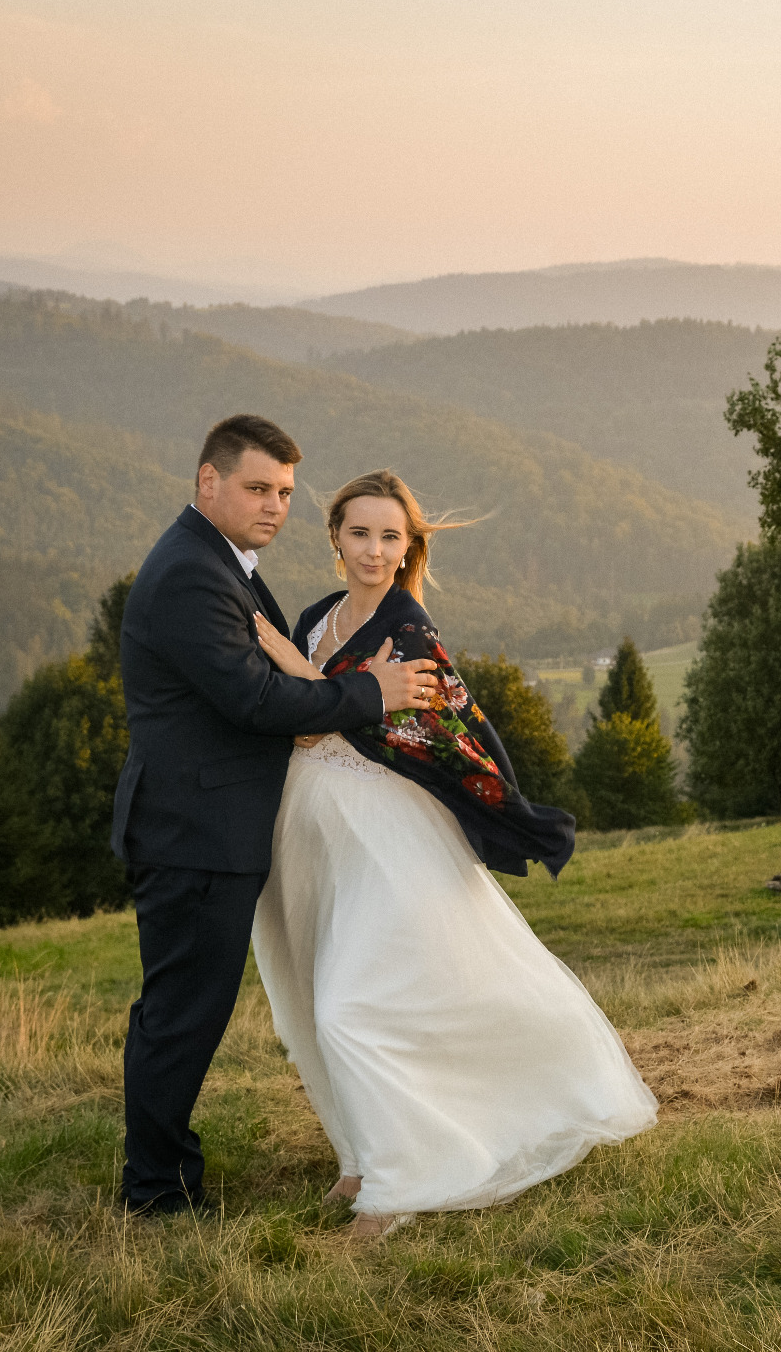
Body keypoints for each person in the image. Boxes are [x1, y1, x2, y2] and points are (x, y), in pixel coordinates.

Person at [248, 468, 657, 1238]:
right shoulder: (313, 617)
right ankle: (358, 1156)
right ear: (335, 536)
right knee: (306, 998)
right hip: (306, 834)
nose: (374, 550)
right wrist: (320, 690)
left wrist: (295, 670)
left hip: (385, 835)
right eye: (360, 533)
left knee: (352, 1004)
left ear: (408, 549)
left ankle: (400, 1184)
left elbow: (377, 722)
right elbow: (310, 719)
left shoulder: (408, 631)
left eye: (390, 537)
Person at [111, 416, 441, 1218]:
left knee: (184, 1010)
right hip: (194, 830)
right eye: (257, 487)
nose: (273, 505)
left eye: (286, 492)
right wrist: (374, 692)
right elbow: (256, 698)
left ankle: (164, 1173)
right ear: (207, 482)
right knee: (181, 1015)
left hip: (207, 824)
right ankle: (156, 1191)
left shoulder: (221, 562)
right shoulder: (193, 573)